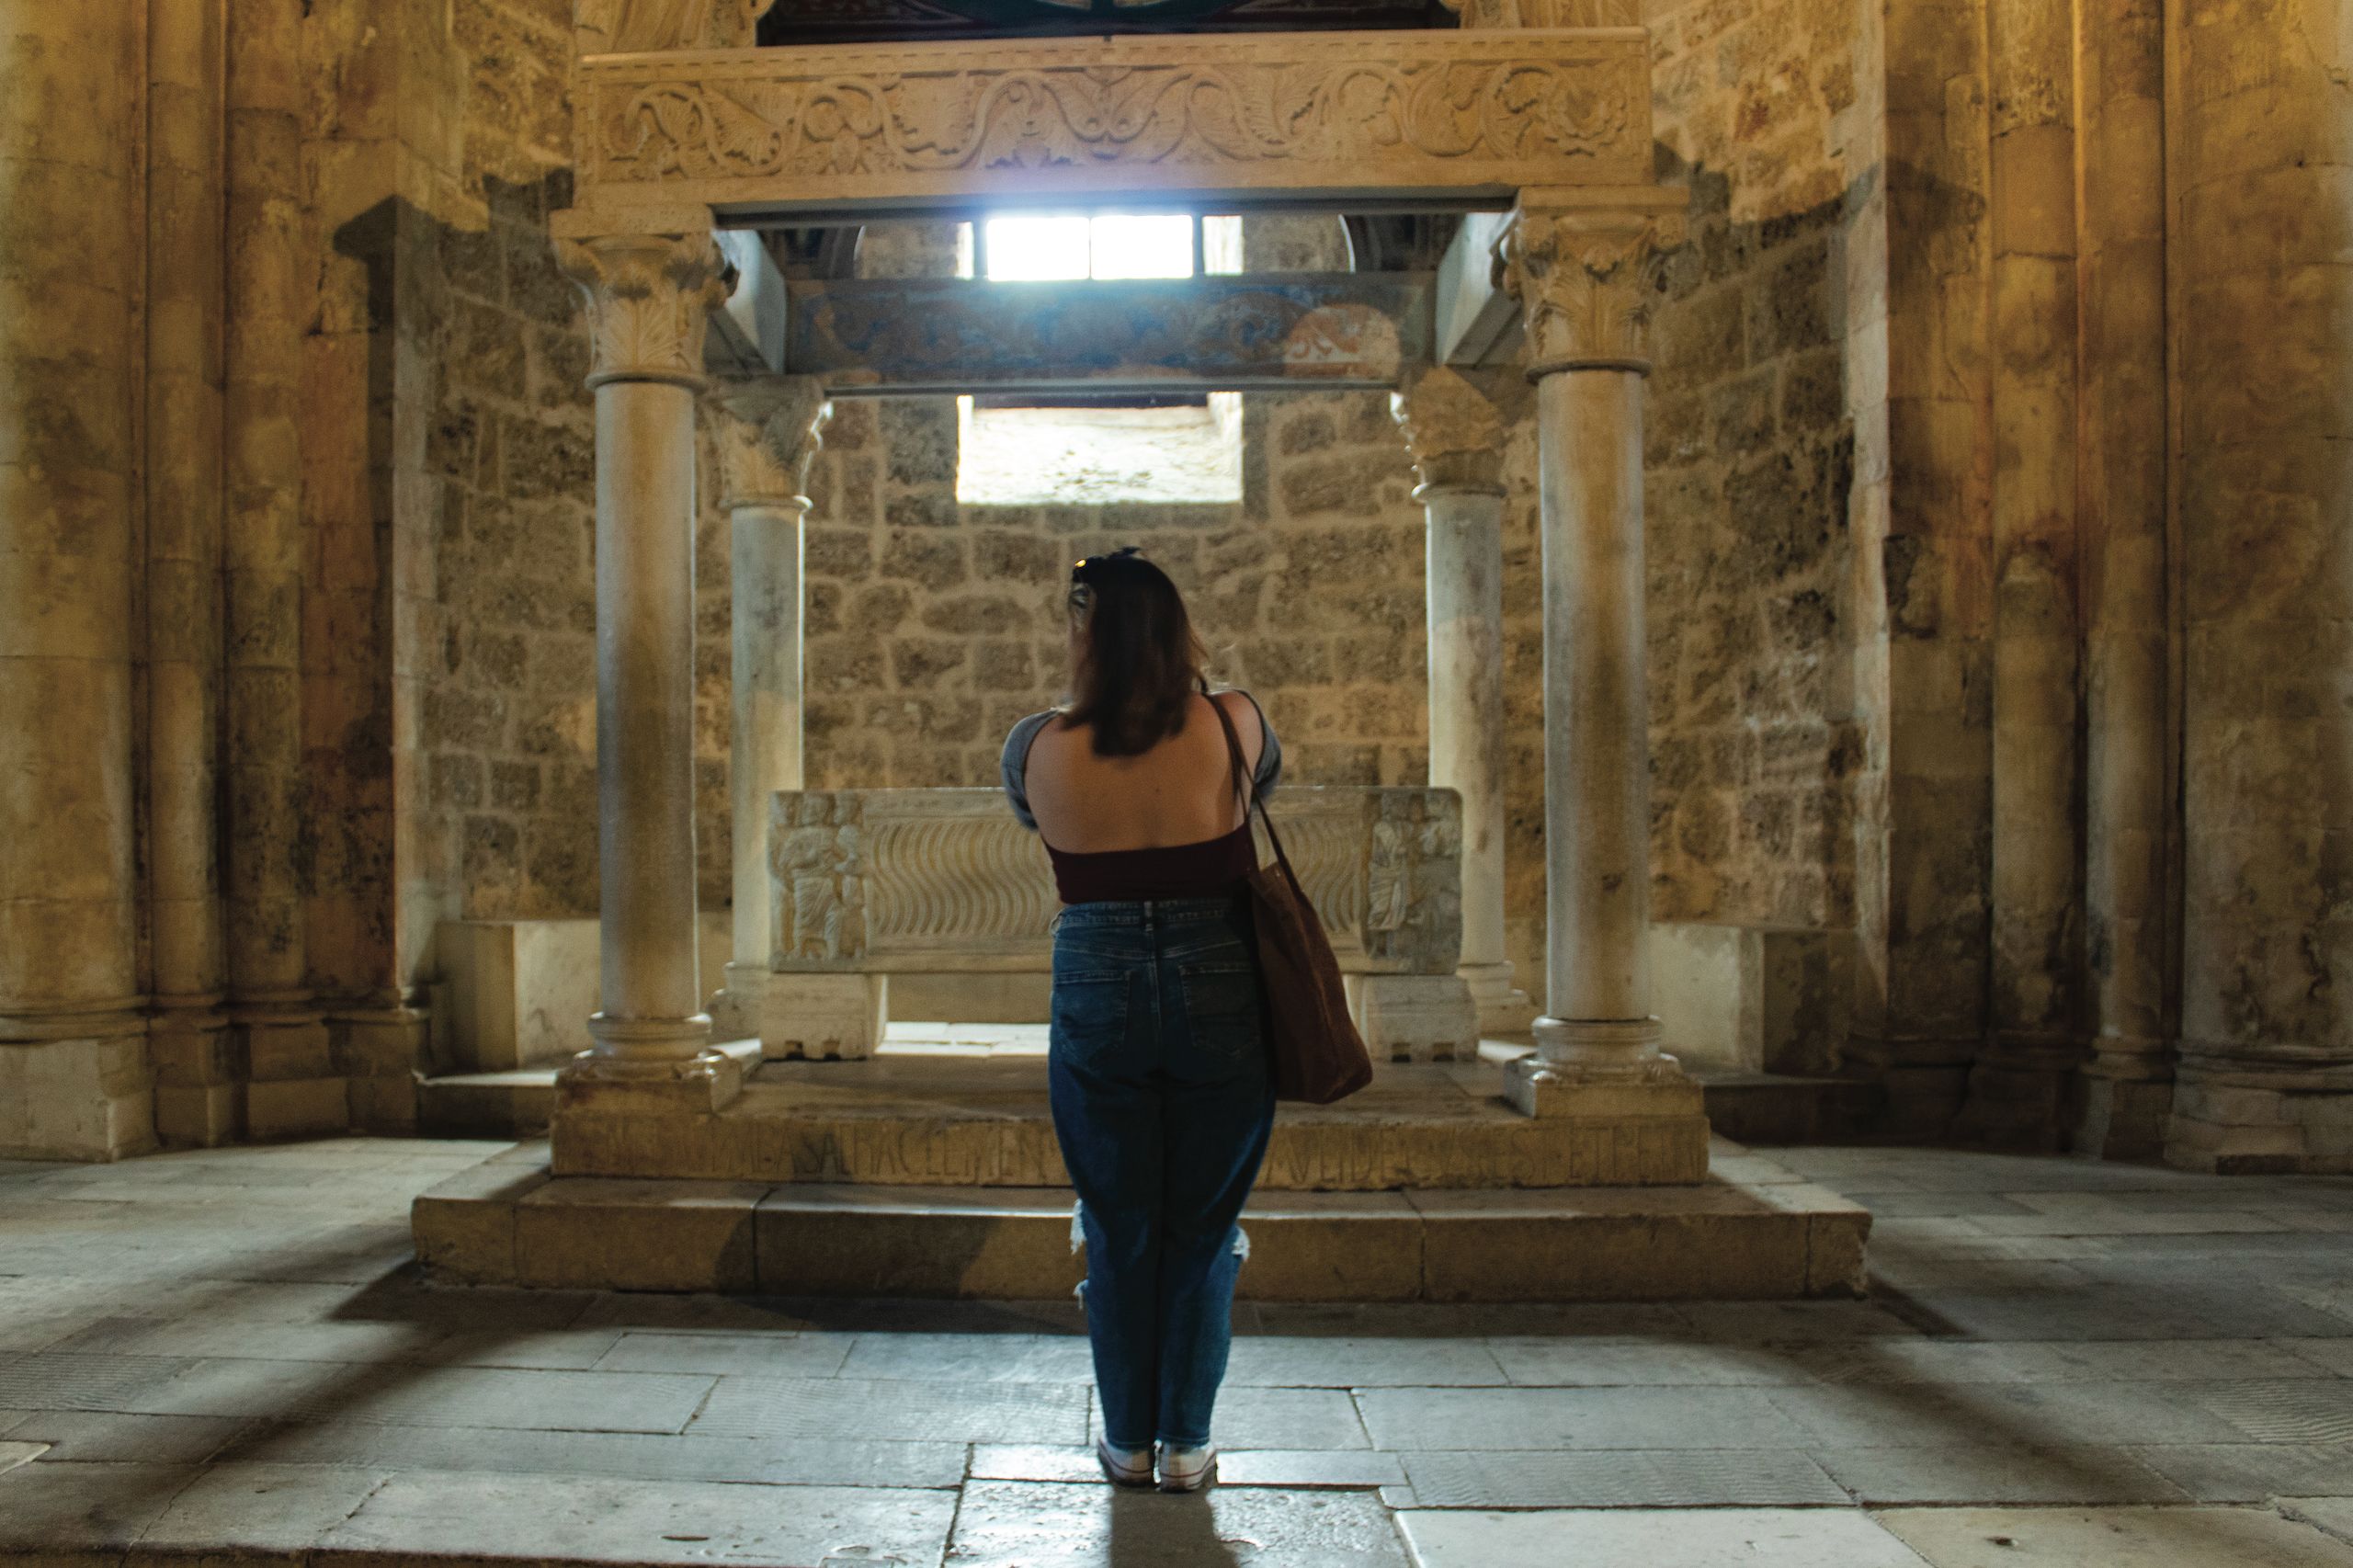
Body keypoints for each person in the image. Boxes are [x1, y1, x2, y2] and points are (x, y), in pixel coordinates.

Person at [999, 547, 1282, 1494]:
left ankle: (1125, 1439)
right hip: (1218, 973)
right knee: (1201, 1224)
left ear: (1082, 630)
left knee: (1119, 1222)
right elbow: (1257, 790)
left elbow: (1034, 818)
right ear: (1176, 627)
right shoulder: (1235, 718)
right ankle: (1188, 1442)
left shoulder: (1034, 743)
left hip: (1098, 971)